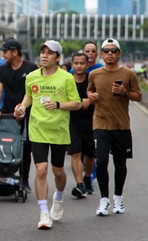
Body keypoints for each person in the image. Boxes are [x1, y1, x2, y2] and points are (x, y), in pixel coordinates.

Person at [14, 40, 81, 230]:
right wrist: (21, 107)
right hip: (37, 129)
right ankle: (44, 213)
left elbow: (76, 103)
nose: (44, 55)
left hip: (59, 130)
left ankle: (58, 197)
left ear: (58, 57)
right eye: (43, 52)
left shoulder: (66, 78)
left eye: (49, 53)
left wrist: (58, 105)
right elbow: (29, 96)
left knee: (58, 171)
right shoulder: (32, 77)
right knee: (41, 170)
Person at [87, 38, 142, 216]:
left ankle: (118, 197)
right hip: (100, 124)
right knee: (102, 161)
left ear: (119, 53)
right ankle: (104, 199)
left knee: (120, 163)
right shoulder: (94, 74)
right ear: (101, 54)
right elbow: (89, 90)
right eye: (106, 51)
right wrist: (91, 96)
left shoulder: (128, 74)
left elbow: (138, 96)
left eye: (113, 51)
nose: (110, 54)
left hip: (121, 125)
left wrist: (125, 92)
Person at [0, 38, 37, 192]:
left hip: (28, 112)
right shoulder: (2, 70)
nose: (3, 54)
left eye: (5, 51)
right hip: (7, 113)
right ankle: (3, 173)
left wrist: (23, 108)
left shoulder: (31, 68)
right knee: (7, 143)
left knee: (26, 146)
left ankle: (24, 179)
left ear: (15, 52)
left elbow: (34, 91)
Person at [67, 52, 96, 197]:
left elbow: (102, 96)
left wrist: (90, 100)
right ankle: (79, 185)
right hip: (72, 122)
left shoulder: (93, 80)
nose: (79, 66)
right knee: (76, 153)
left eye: (82, 63)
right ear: (72, 64)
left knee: (90, 154)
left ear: (87, 64)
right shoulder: (67, 80)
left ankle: (87, 178)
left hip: (91, 122)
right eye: (76, 63)